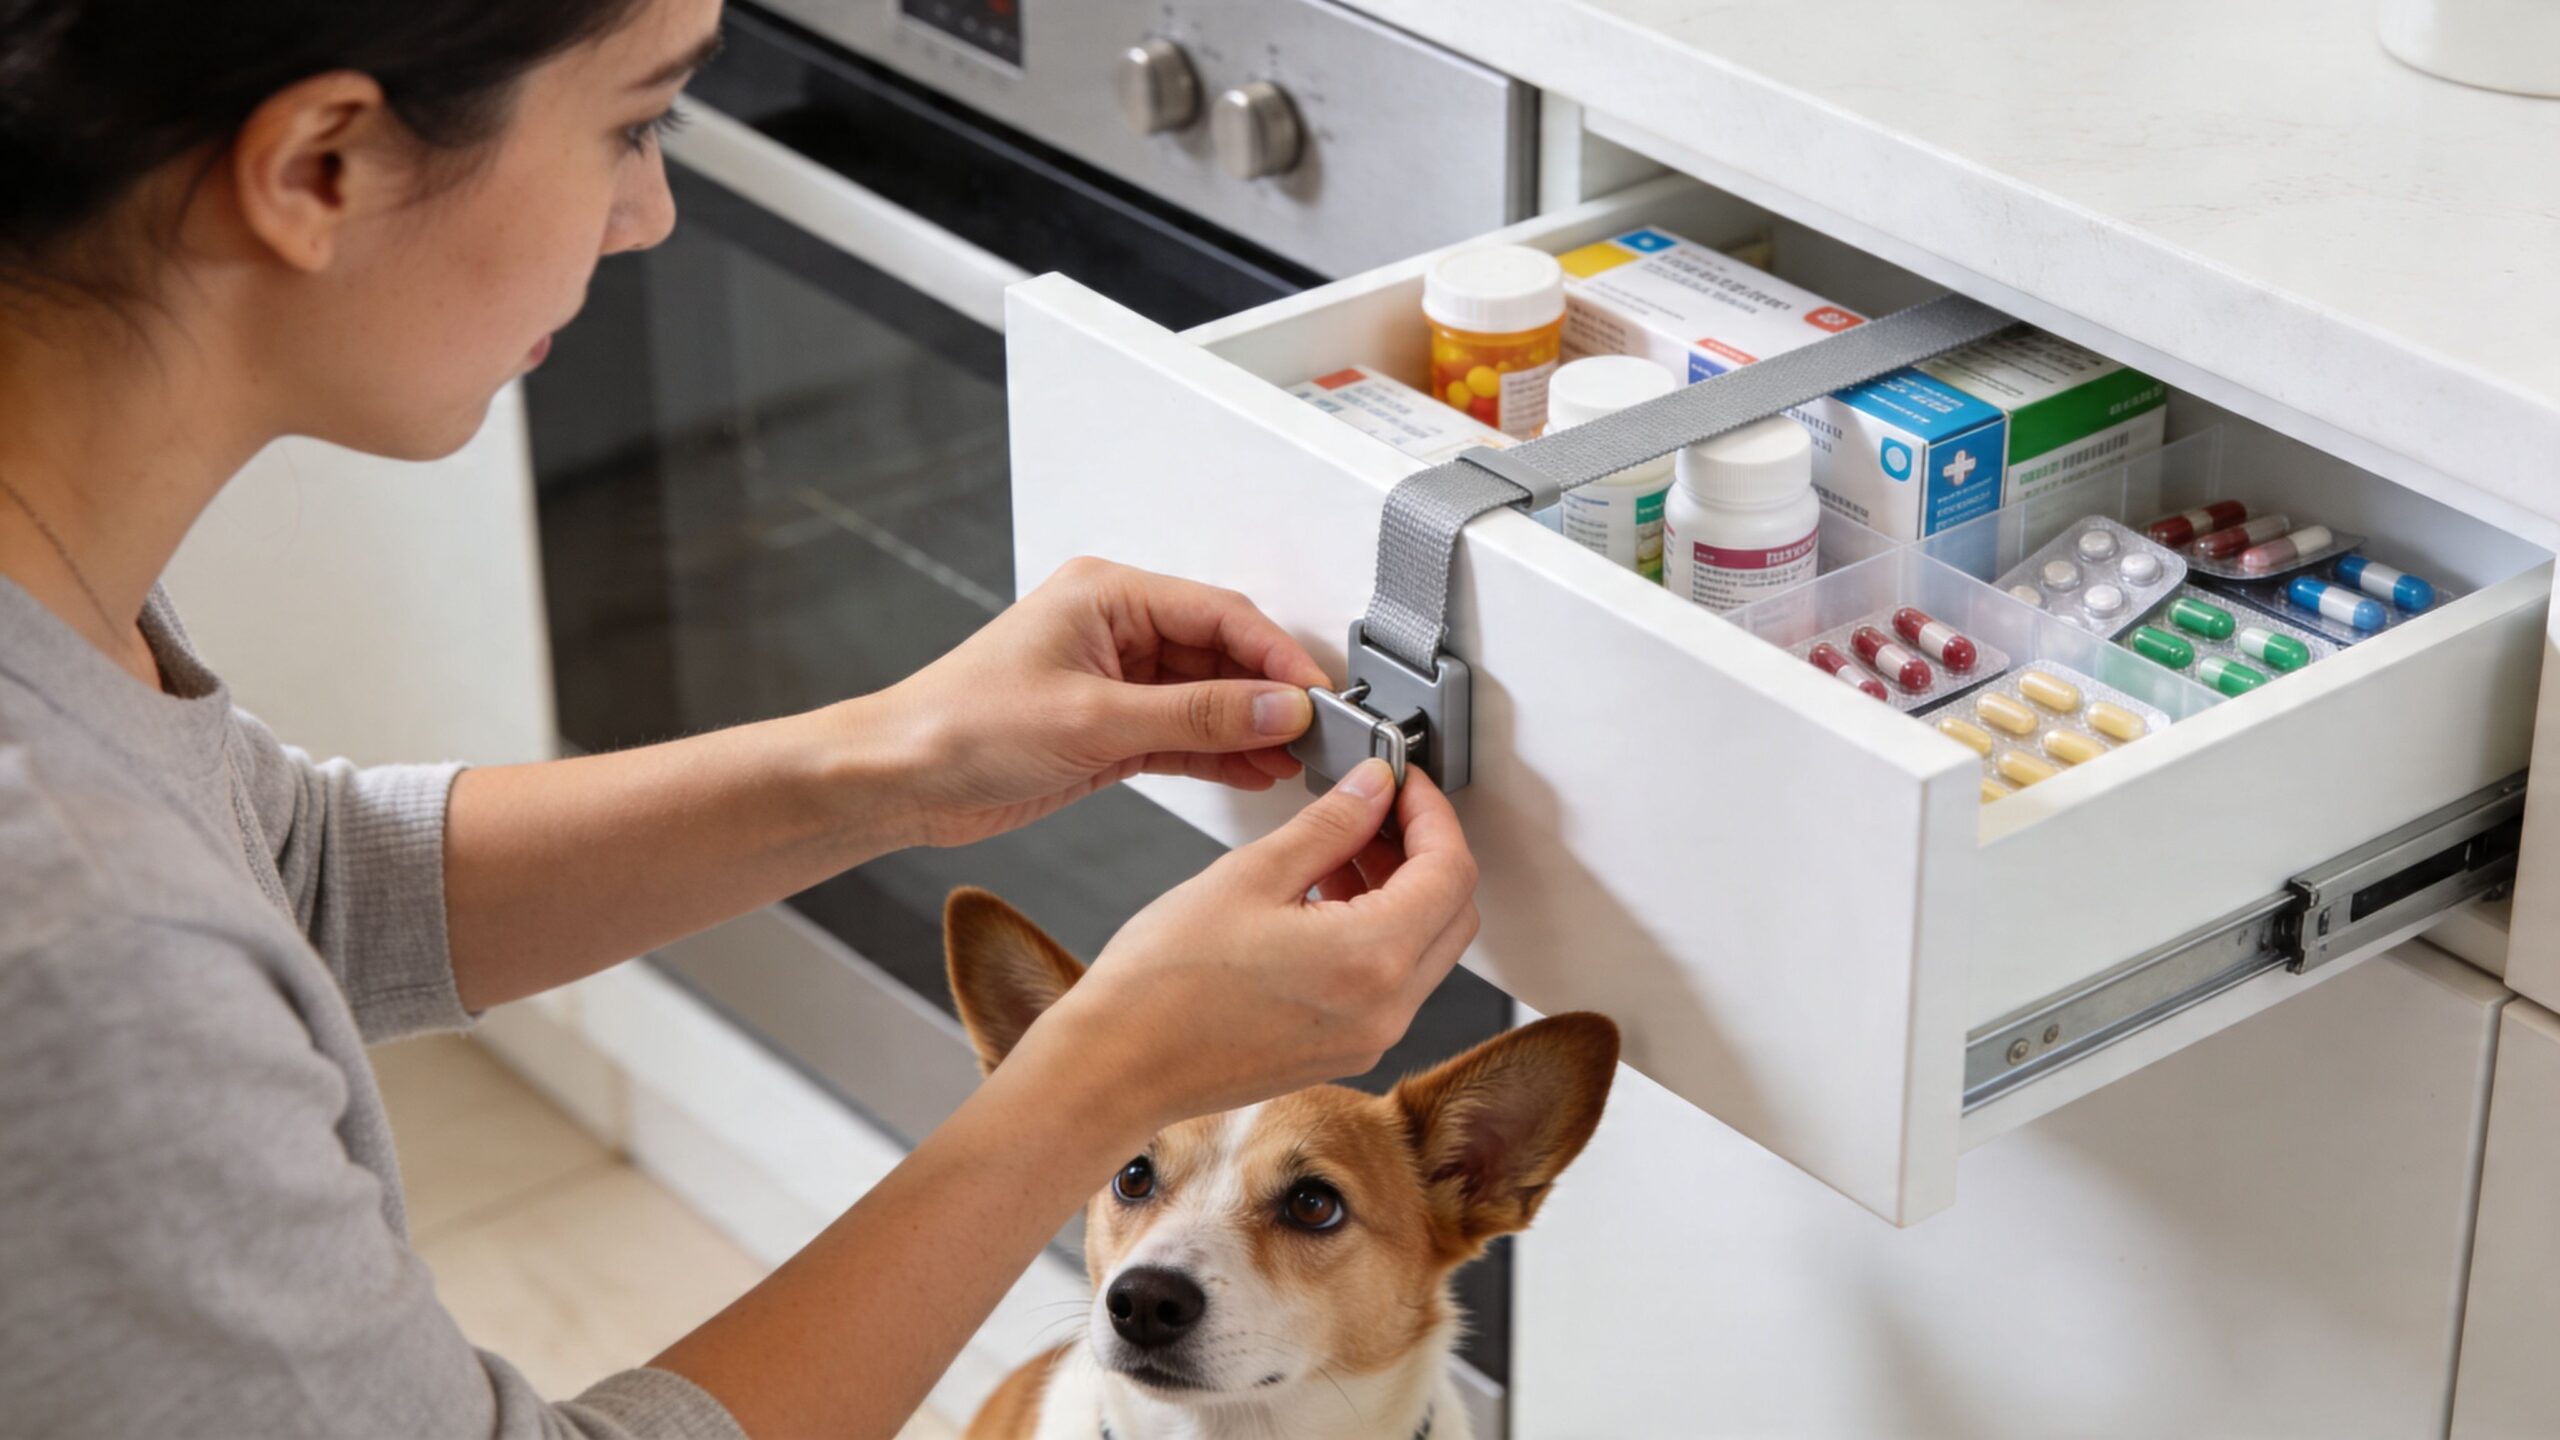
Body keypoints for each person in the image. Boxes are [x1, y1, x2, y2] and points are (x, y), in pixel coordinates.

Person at [0, 0, 1483, 1435]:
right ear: (324, 166)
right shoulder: (71, 938)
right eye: (638, 118)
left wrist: (892, 759)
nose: (646, 211)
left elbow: (292, 873)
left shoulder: (56, 593)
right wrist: (1105, 1074)